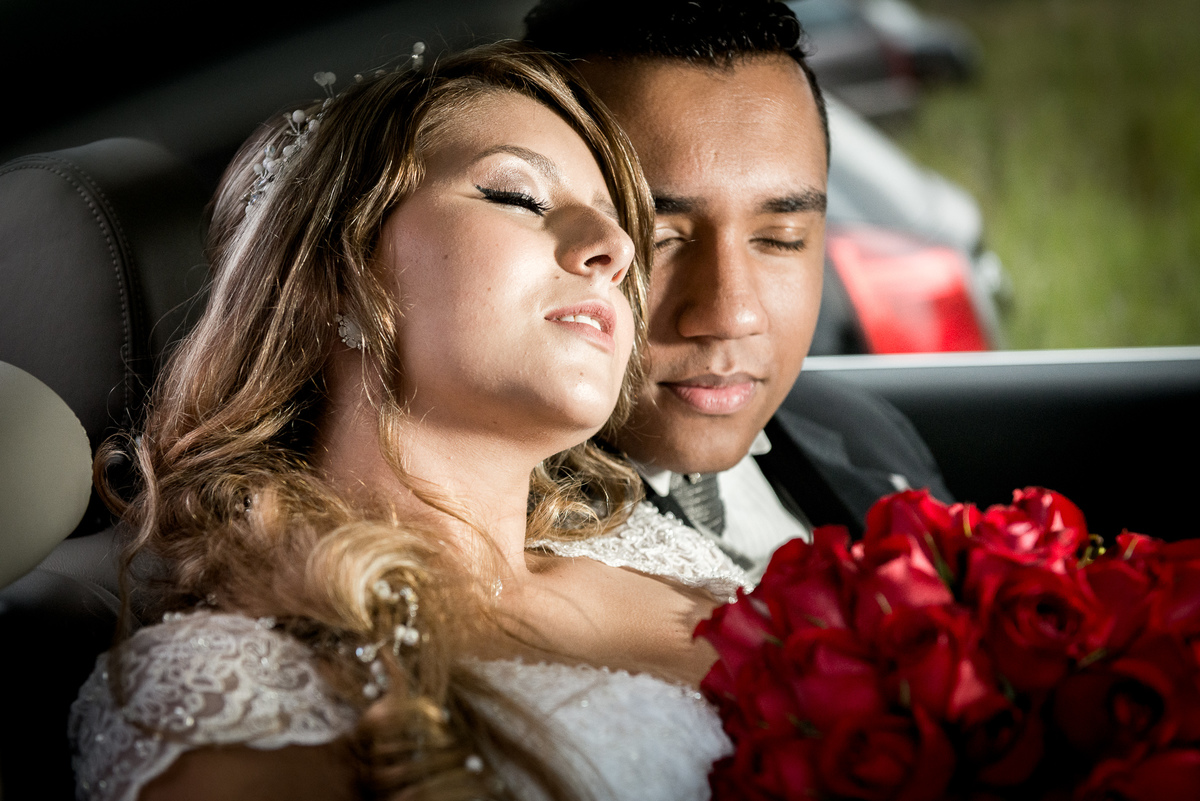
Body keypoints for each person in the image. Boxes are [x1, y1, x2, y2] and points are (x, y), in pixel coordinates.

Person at [70, 43, 747, 801]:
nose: (617, 249)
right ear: (339, 274)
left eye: (620, 226)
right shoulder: (239, 686)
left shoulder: (669, 555)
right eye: (518, 196)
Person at [524, 0, 954, 573]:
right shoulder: (493, 529)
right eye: (656, 239)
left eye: (779, 238)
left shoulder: (860, 429)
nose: (731, 314)